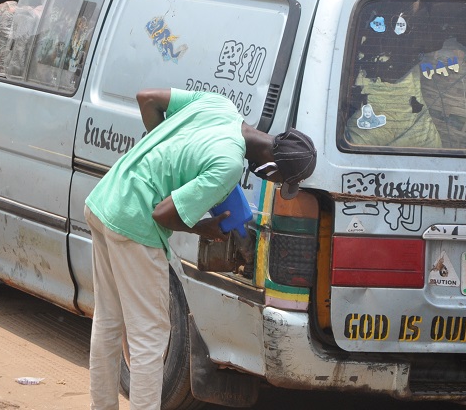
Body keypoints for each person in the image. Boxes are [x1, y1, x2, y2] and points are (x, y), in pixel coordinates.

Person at [83, 87, 317, 410]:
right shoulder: (229, 165)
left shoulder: (221, 105)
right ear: (274, 170)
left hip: (107, 197)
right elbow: (162, 213)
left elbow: (147, 99)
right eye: (279, 181)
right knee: (150, 338)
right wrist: (202, 227)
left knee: (109, 322)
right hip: (134, 222)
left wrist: (165, 159)